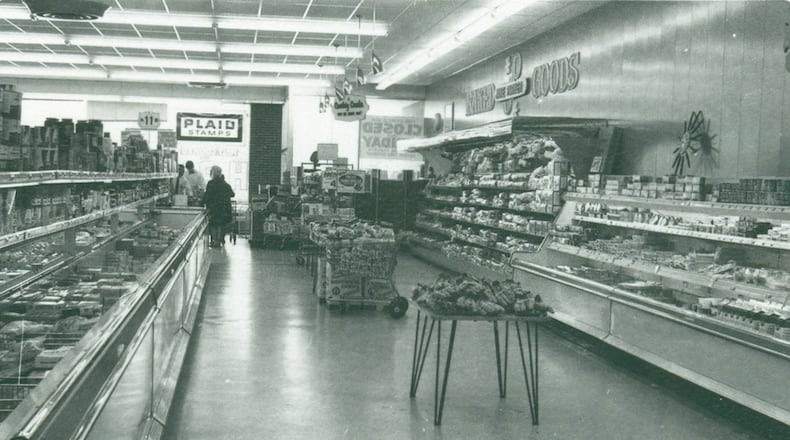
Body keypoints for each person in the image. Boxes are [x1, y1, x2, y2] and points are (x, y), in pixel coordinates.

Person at [202, 165, 235, 248]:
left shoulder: (211, 183)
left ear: (212, 173)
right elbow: (232, 194)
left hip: (214, 208)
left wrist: (202, 202)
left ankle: (215, 241)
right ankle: (220, 240)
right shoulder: (225, 184)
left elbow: (207, 196)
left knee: (213, 225)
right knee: (221, 224)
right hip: (224, 209)